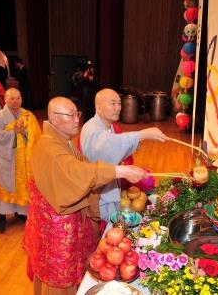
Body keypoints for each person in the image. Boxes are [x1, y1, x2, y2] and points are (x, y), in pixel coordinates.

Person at [24, 96, 148, 295]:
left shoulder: (62, 141)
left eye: (77, 114)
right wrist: (120, 172)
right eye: (70, 115)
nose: (76, 120)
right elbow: (76, 172)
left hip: (62, 224)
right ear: (54, 119)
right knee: (58, 277)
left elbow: (84, 165)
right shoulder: (49, 148)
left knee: (73, 270)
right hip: (55, 230)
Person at [80, 88, 168, 221]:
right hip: (99, 194)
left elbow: (113, 149)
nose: (118, 108)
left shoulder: (108, 126)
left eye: (119, 103)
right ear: (98, 107)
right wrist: (142, 134)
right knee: (108, 228)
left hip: (108, 186)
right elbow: (111, 145)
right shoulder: (92, 129)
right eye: (113, 103)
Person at [0, 88, 41, 233]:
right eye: (12, 98)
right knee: (5, 188)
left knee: (22, 187)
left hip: (23, 159)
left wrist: (24, 132)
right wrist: (14, 133)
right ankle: (1, 217)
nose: (15, 101)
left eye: (18, 98)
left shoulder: (28, 116)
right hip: (5, 157)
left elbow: (36, 136)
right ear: (5, 99)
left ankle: (21, 212)